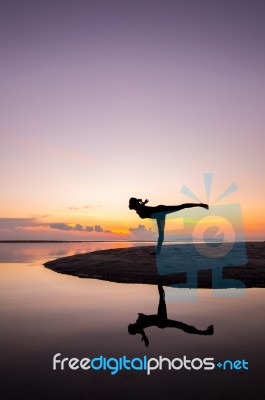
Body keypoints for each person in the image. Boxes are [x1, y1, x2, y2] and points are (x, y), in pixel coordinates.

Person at [128, 284, 214, 347]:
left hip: (160, 321)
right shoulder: (139, 324)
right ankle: (159, 281)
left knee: (181, 326)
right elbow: (140, 330)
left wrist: (144, 336)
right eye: (132, 327)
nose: (131, 324)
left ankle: (204, 332)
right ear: (133, 327)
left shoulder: (139, 325)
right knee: (162, 298)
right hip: (161, 320)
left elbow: (140, 331)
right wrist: (144, 336)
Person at [129, 197, 209, 254]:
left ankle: (200, 205)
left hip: (160, 210)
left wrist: (143, 203)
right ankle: (158, 251)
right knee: (161, 234)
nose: (130, 205)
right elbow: (138, 206)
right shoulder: (138, 208)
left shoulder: (140, 208)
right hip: (159, 215)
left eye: (130, 203)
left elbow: (140, 206)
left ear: (134, 204)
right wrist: (143, 203)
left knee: (180, 207)